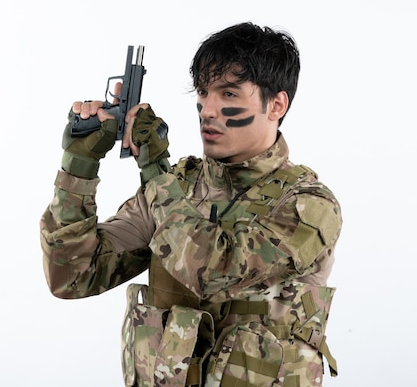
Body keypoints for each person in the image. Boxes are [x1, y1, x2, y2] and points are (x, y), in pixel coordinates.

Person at [40, 22, 342, 387]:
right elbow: (73, 277)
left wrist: (155, 172)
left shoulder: (308, 206)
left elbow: (214, 272)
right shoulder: (177, 186)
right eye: (203, 91)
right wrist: (79, 168)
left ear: (276, 104)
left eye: (229, 94)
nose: (208, 109)